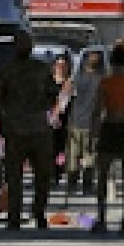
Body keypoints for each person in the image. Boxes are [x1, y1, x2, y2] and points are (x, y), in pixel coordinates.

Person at [0, 30, 58, 230]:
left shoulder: (9, 71)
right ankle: (31, 214)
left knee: (20, 177)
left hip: (22, 129)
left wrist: (4, 122)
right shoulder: (38, 69)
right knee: (34, 177)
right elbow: (52, 95)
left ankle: (25, 216)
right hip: (32, 129)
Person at [92, 43, 124, 235]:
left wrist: (93, 134)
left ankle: (102, 218)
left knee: (103, 175)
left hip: (110, 127)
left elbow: (98, 110)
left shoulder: (105, 83)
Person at [67, 49, 103, 195]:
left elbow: (66, 100)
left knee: (74, 155)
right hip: (91, 123)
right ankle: (87, 185)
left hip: (75, 121)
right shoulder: (101, 81)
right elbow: (102, 103)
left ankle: (72, 184)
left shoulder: (75, 79)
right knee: (89, 155)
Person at [49, 54, 72, 186]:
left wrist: (58, 112)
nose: (61, 68)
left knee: (61, 148)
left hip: (64, 119)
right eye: (58, 65)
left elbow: (66, 102)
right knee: (49, 147)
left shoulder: (68, 84)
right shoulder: (49, 82)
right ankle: (50, 173)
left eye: (63, 66)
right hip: (49, 118)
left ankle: (58, 173)